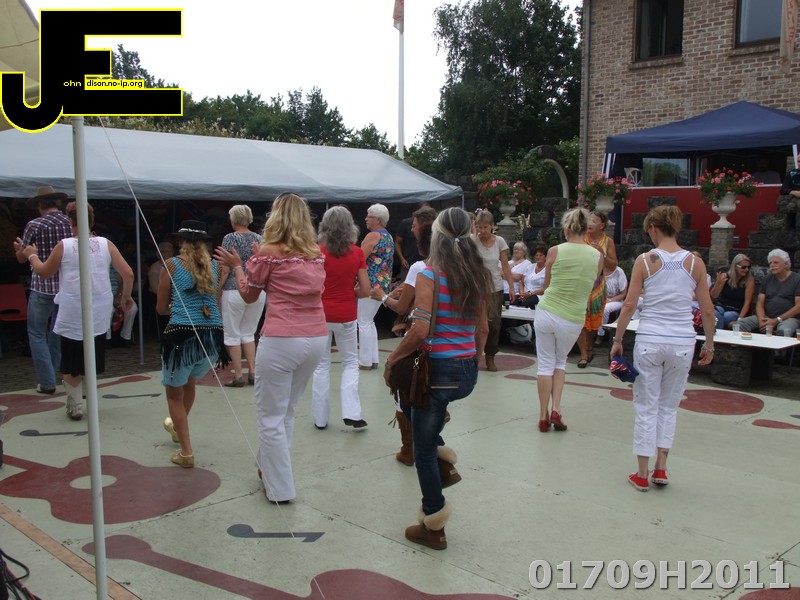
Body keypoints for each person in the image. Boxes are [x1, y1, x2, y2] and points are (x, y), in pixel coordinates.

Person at [383, 207, 489, 551]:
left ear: (437, 237)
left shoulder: (430, 274)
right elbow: (483, 328)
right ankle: (446, 467)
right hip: (466, 371)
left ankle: (434, 523)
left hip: (437, 371)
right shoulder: (477, 274)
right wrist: (472, 359)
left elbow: (420, 329)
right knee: (423, 418)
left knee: (423, 449)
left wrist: (393, 359)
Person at [215, 193, 327, 504]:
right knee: (286, 411)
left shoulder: (269, 252)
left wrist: (238, 267)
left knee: (270, 417)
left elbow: (249, 295)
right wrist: (254, 260)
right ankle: (269, 469)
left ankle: (279, 488)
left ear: (276, 216)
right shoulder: (315, 253)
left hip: (282, 338)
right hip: (316, 337)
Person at [609, 205, 715, 492]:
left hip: (651, 339)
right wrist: (709, 343)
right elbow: (707, 309)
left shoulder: (645, 261)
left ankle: (642, 472)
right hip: (682, 341)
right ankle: (661, 467)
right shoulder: (694, 263)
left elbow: (629, 304)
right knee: (669, 406)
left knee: (646, 406)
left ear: (653, 228)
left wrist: (617, 340)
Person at [15, 202, 133, 420]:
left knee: (71, 357)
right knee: (92, 352)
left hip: (73, 308)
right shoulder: (106, 244)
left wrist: (31, 255)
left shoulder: (64, 245)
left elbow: (44, 272)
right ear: (92, 221)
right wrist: (124, 298)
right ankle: (87, 396)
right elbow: (128, 274)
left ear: (71, 221)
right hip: (100, 307)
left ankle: (75, 404)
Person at [371, 205, 437, 465]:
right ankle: (429, 443)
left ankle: (410, 449)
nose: (411, 229)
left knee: (405, 391)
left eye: (414, 226)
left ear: (422, 231)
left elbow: (401, 307)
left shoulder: (420, 267)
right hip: (445, 341)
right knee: (429, 394)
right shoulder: (453, 263)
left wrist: (383, 296)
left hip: (418, 338)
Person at [157, 220, 226, 468]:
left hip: (182, 336)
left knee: (173, 394)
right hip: (213, 337)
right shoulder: (216, 267)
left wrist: (175, 308)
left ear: (181, 241)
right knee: (189, 383)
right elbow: (214, 301)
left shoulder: (172, 265)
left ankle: (186, 452)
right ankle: (178, 429)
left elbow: (160, 308)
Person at [534, 208, 603, 433]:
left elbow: (546, 286)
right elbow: (592, 281)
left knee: (545, 364)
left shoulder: (555, 251)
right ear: (586, 230)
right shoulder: (597, 255)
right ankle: (556, 408)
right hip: (573, 316)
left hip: (548, 311)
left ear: (566, 230)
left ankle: (543, 415)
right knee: (560, 362)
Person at [311, 206, 371, 429]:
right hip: (346, 314)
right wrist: (350, 292)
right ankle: (352, 413)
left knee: (321, 365)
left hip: (320, 313)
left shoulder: (316, 252)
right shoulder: (357, 253)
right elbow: (365, 290)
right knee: (350, 363)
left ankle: (320, 418)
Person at [14, 186, 73, 395]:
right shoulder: (70, 223)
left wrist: (19, 250)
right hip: (64, 286)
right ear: (58, 203)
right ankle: (53, 375)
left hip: (42, 285)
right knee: (56, 333)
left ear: (40, 205)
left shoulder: (35, 224)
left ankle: (47, 381)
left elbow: (23, 258)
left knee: (36, 333)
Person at [218, 205, 266, 387]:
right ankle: (253, 372)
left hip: (233, 288)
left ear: (233, 219)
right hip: (256, 288)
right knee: (249, 332)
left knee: (232, 333)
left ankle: (238, 374)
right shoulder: (259, 238)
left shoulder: (229, 238)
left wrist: (217, 290)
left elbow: (225, 268)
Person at [473, 210, 515, 371]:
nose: (482, 231)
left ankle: (490, 356)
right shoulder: (473, 240)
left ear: (492, 226)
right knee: (476, 322)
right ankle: (474, 355)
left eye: (485, 227)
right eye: (479, 227)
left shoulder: (499, 242)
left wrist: (511, 286)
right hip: (476, 287)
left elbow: (505, 265)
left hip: (495, 287)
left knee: (494, 323)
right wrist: (473, 234)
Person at [577, 211, 617, 367]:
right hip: (581, 281)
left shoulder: (608, 241)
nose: (590, 223)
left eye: (594, 221)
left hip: (597, 284)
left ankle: (588, 347)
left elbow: (613, 266)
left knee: (594, 319)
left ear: (602, 225)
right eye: (589, 220)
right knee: (580, 318)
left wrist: (602, 253)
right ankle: (583, 354)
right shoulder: (581, 238)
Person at [357, 203, 394, 370]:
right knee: (369, 321)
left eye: (369, 216)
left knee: (363, 322)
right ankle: (372, 358)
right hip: (383, 285)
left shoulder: (372, 236)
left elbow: (359, 259)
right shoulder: (388, 237)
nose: (366, 219)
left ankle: (365, 360)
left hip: (369, 284)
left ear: (378, 219)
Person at [736, 249, 800, 336]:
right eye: (770, 263)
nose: (772, 265)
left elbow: (798, 307)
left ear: (786, 264)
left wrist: (777, 320)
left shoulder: (797, 279)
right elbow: (760, 303)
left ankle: (778, 346)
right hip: (766, 316)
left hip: (788, 318)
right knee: (740, 324)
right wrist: (761, 319)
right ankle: (747, 345)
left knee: (784, 330)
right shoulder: (767, 279)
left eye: (775, 263)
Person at [710, 254, 755, 329]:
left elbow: (747, 303)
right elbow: (714, 296)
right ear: (735, 267)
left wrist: (740, 320)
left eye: (748, 267)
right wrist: (718, 283)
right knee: (716, 314)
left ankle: (716, 335)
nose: (747, 270)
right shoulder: (725, 277)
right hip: (721, 306)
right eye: (743, 267)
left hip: (735, 310)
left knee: (724, 317)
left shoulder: (749, 281)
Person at [394, 201, 430, 281]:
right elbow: (397, 242)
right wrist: (402, 258)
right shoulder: (405, 223)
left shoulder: (433, 226)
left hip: (427, 264)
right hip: (408, 263)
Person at [595, 265, 628, 345]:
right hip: (598, 298)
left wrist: (608, 300)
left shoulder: (618, 272)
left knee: (605, 308)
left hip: (616, 300)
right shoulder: (597, 269)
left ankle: (600, 335)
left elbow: (623, 294)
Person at [148, 241, 174, 336]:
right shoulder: (154, 268)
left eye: (169, 251)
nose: (166, 254)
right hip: (160, 296)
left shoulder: (177, 265)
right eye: (163, 251)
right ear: (158, 254)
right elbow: (155, 288)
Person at [516, 244, 547, 308]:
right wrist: (521, 294)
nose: (538, 257)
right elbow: (521, 283)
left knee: (525, 304)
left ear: (546, 257)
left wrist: (531, 294)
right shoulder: (530, 267)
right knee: (511, 300)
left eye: (540, 255)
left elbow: (546, 288)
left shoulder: (548, 270)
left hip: (538, 296)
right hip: (525, 295)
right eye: (536, 255)